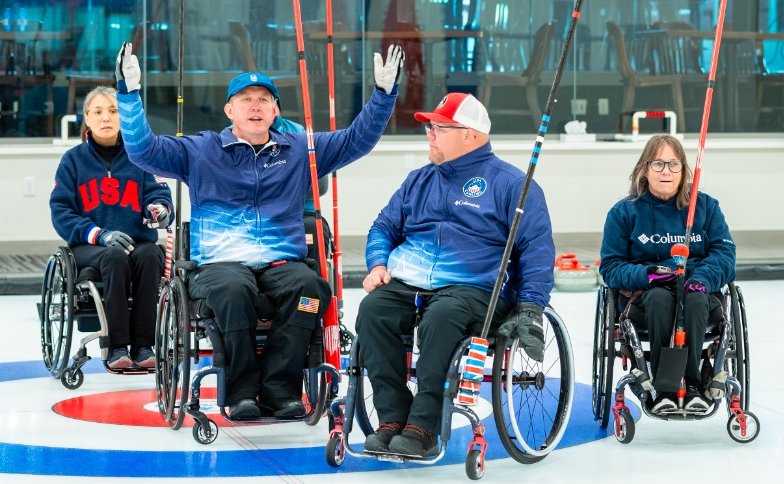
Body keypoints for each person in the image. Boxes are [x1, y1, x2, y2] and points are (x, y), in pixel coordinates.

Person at [114, 42, 404, 419]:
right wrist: (129, 95)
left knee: (312, 288)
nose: (255, 105)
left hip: (281, 263)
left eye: (264, 99)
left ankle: (280, 389)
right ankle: (241, 392)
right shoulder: (200, 150)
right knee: (234, 290)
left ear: (275, 111)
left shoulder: (299, 149)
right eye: (246, 98)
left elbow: (357, 139)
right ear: (229, 110)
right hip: (221, 264)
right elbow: (142, 150)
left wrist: (384, 95)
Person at [356, 92, 555, 457]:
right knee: (373, 311)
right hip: (409, 280)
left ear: (470, 134)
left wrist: (531, 307)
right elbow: (383, 226)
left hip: (473, 289)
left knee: (441, 318)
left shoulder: (512, 185)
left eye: (439, 128)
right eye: (430, 127)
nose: (430, 134)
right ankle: (392, 418)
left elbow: (537, 250)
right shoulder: (418, 180)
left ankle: (423, 425)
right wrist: (378, 264)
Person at [599, 134, 735, 414]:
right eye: (658, 164)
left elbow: (724, 255)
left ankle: (695, 384)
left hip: (697, 291)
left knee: (695, 301)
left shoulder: (706, 207)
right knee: (661, 299)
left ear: (684, 170)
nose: (666, 171)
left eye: (673, 164)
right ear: (644, 169)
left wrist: (703, 280)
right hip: (646, 297)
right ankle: (664, 387)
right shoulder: (623, 213)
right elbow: (610, 267)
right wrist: (647, 274)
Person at [49, 85, 174, 370]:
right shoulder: (73, 161)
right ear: (87, 119)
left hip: (136, 242)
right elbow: (60, 212)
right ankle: (116, 346)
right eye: (98, 111)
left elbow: (158, 195)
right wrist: (99, 235)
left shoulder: (141, 157)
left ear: (123, 118)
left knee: (150, 255)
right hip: (90, 246)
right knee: (114, 256)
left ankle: (143, 346)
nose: (106, 117)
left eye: (114, 111)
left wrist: (159, 210)